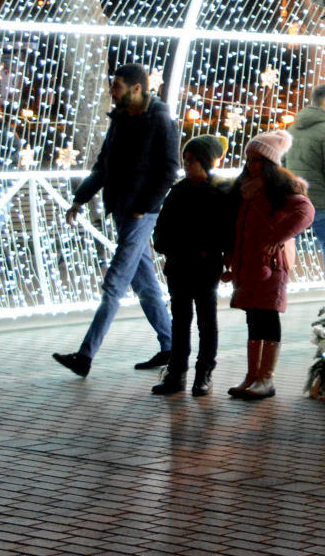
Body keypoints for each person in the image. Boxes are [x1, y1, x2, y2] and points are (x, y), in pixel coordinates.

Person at [53, 64, 181, 378]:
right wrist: (80, 199)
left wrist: (143, 207)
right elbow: (103, 165)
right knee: (144, 284)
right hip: (122, 210)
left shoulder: (160, 119)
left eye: (118, 86)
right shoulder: (121, 119)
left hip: (140, 214)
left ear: (137, 88)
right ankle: (171, 346)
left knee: (114, 283)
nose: (112, 91)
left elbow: (169, 170)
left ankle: (85, 355)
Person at [224, 131, 314, 400]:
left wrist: (278, 237)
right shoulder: (246, 188)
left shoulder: (281, 188)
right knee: (254, 316)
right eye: (249, 159)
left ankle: (266, 377)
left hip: (270, 265)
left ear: (270, 162)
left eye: (258, 159)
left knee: (267, 315)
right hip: (249, 263)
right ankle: (253, 375)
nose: (252, 164)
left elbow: (305, 212)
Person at [150, 135, 238, 397]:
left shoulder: (222, 191)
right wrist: (167, 246)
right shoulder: (179, 191)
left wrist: (212, 249)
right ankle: (177, 372)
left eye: (192, 160)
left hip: (205, 263)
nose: (187, 165)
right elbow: (162, 227)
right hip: (179, 263)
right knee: (180, 320)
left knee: (206, 319)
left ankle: (204, 372)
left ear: (206, 161)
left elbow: (227, 230)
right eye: (185, 160)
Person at [284, 84, 325, 293]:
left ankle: (277, 286)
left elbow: (283, 162)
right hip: (322, 201)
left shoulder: (293, 128)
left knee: (287, 243)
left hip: (296, 199)